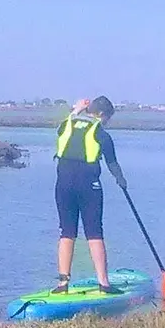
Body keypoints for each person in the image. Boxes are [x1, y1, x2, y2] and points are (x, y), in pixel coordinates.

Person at [51, 95, 126, 294]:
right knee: (94, 233)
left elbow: (63, 126)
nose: (108, 122)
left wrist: (76, 110)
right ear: (102, 115)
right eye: (108, 118)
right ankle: (104, 283)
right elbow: (112, 163)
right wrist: (121, 180)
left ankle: (62, 283)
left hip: (63, 186)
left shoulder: (66, 125)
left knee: (67, 232)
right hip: (88, 187)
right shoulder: (101, 133)